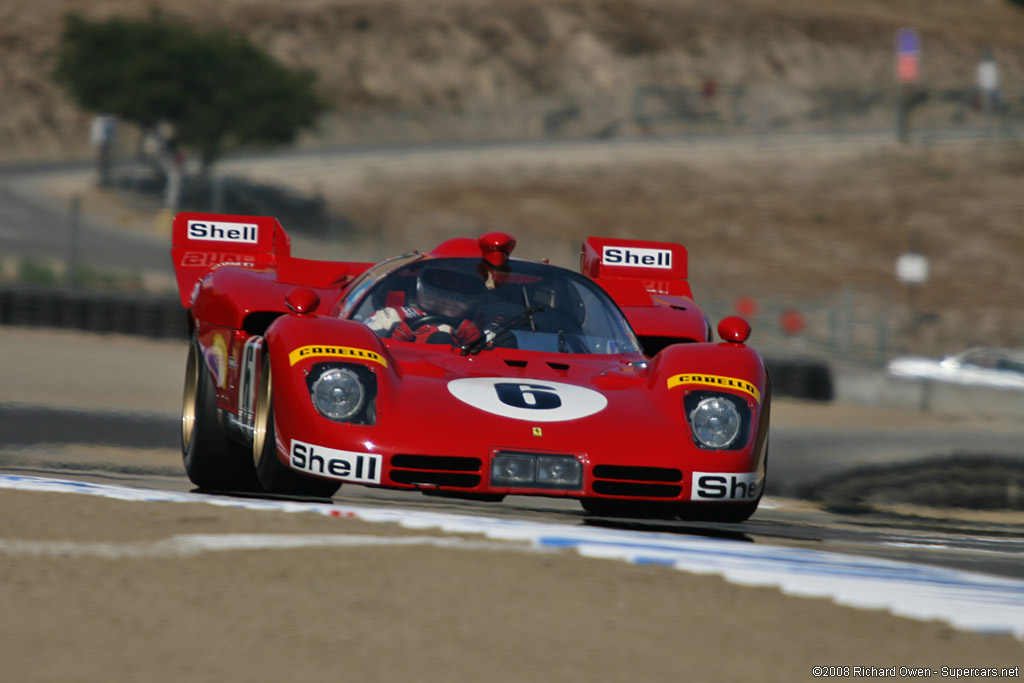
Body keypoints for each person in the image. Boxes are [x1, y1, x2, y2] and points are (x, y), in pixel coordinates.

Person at [364, 264, 484, 346]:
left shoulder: (487, 327)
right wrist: (390, 344)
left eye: (461, 284)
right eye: (442, 280)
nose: (451, 289)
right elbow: (361, 346)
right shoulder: (391, 317)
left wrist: (480, 347)